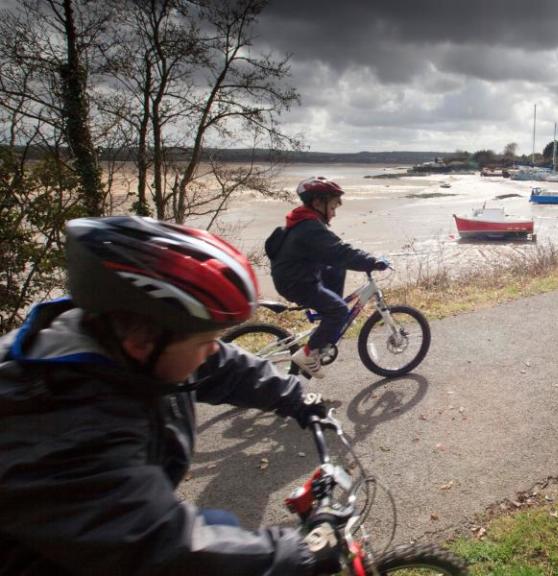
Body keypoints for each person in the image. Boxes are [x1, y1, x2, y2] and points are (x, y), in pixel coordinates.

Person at [0, 216, 338, 575]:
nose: (213, 351)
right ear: (142, 342)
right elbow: (160, 548)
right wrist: (300, 553)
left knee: (219, 523)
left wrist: (294, 398)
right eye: (205, 341)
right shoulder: (60, 422)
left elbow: (219, 365)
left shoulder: (123, 344)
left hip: (87, 549)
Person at [268, 176, 389, 379]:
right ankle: (307, 354)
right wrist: (371, 261)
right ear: (317, 203)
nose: (333, 214)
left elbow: (334, 256)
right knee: (340, 310)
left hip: (294, 275)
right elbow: (341, 251)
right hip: (298, 282)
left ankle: (327, 318)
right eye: (332, 207)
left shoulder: (302, 221)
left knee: (336, 269)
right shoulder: (310, 228)